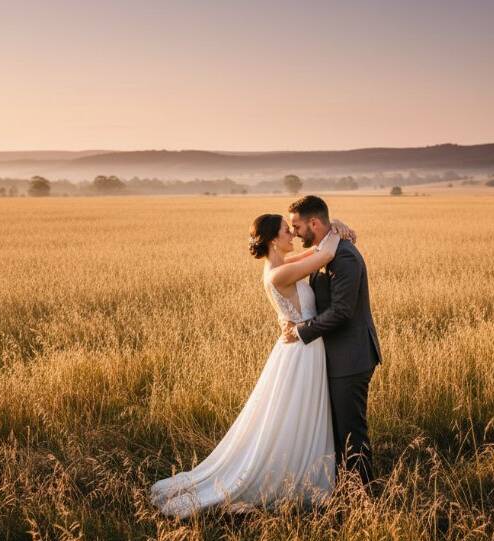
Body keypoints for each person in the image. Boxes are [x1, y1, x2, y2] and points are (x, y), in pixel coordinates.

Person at [150, 213, 356, 519]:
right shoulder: (277, 274)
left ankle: (306, 471)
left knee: (298, 414)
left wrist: (336, 226)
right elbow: (324, 254)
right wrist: (337, 229)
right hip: (301, 350)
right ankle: (293, 478)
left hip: (303, 347)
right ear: (274, 239)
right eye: (288, 231)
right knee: (295, 414)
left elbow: (315, 252)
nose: (293, 236)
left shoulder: (280, 265)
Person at [282, 195, 382, 493]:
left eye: (297, 226)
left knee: (351, 432)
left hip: (351, 357)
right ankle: (344, 489)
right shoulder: (324, 250)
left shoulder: (345, 256)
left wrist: (300, 332)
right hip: (334, 356)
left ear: (314, 223)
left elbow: (342, 311)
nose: (295, 232)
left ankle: (363, 496)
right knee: (338, 431)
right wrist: (335, 229)